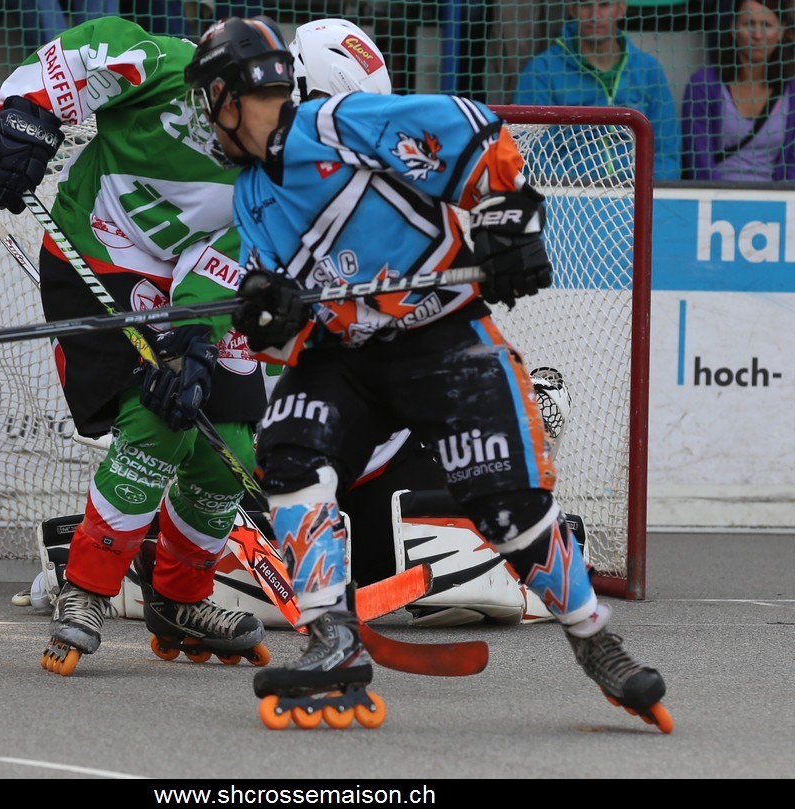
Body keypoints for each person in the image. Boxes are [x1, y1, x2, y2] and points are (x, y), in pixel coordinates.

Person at [184, 15, 673, 732]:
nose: (205, 120)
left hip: (440, 336)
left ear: (230, 97)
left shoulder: (339, 123)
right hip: (346, 357)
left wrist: (509, 217)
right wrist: (270, 318)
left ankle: (596, 639)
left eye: (207, 101)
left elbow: (472, 129)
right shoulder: (251, 194)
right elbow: (284, 339)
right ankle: (332, 639)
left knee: (507, 509)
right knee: (289, 448)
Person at [0, 14, 275, 676]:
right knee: (158, 419)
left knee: (229, 445)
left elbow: (233, 253)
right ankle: (85, 588)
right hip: (96, 258)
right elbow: (84, 52)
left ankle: (181, 599)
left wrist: (194, 337)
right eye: (256, 105)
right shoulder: (162, 66)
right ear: (215, 94)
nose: (270, 125)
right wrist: (28, 117)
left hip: (188, 284)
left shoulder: (280, 161)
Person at [512, 0, 682, 182]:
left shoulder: (649, 70)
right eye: (585, 5)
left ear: (621, 8)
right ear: (572, 9)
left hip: (638, 192)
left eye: (604, 5)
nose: (594, 15)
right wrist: (574, 188)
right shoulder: (541, 71)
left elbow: (667, 153)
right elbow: (531, 154)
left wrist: (648, 188)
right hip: (568, 192)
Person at [682, 0, 795, 181]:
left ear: (781, 30)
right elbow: (699, 159)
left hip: (776, 196)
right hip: (714, 194)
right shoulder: (703, 84)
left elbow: (792, 166)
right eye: (749, 23)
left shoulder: (792, 89)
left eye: (766, 25)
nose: (757, 35)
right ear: (733, 28)